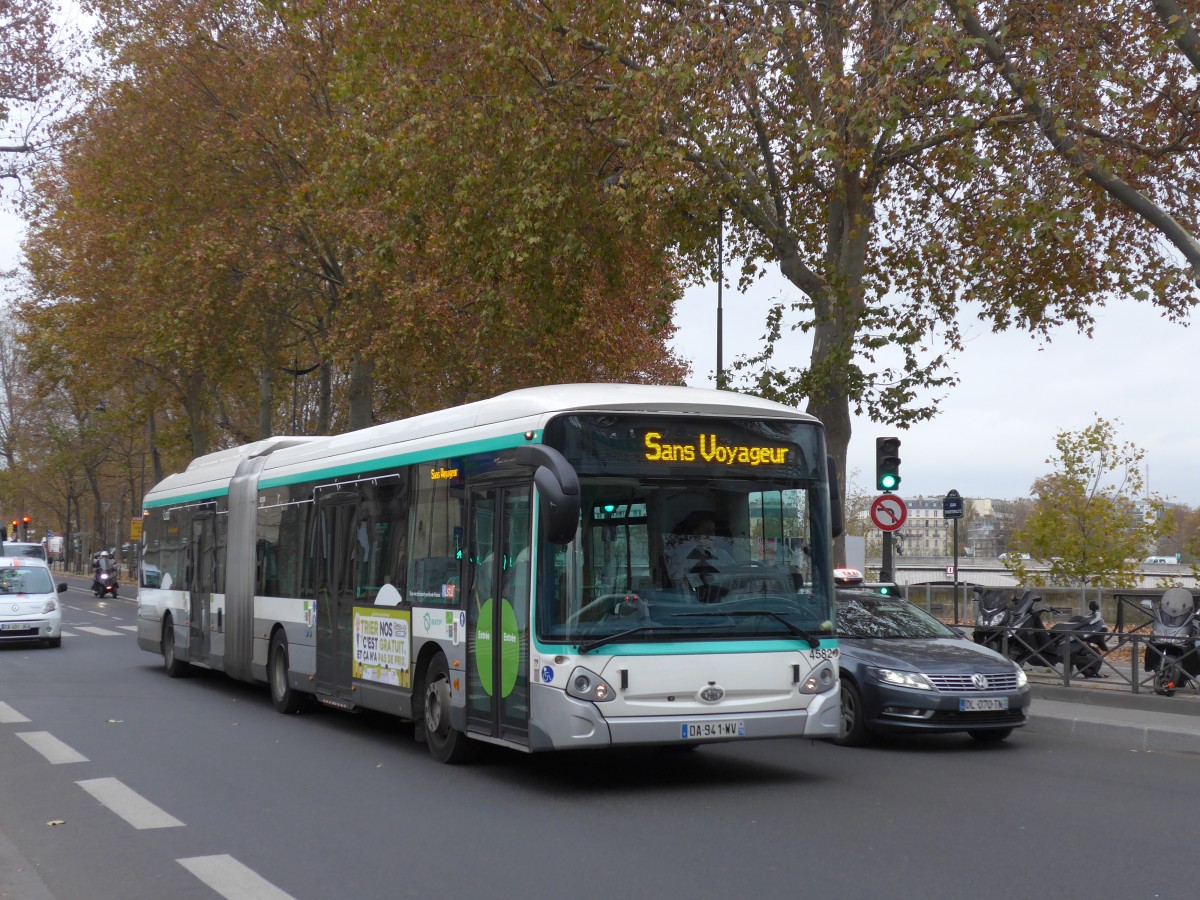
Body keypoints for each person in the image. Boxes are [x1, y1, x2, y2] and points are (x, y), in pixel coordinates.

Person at [665, 511, 735, 596]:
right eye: (707, 531)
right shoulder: (681, 556)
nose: (711, 535)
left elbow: (734, 578)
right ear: (696, 532)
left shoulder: (724, 555)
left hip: (723, 600)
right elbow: (677, 583)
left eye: (713, 531)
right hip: (693, 600)